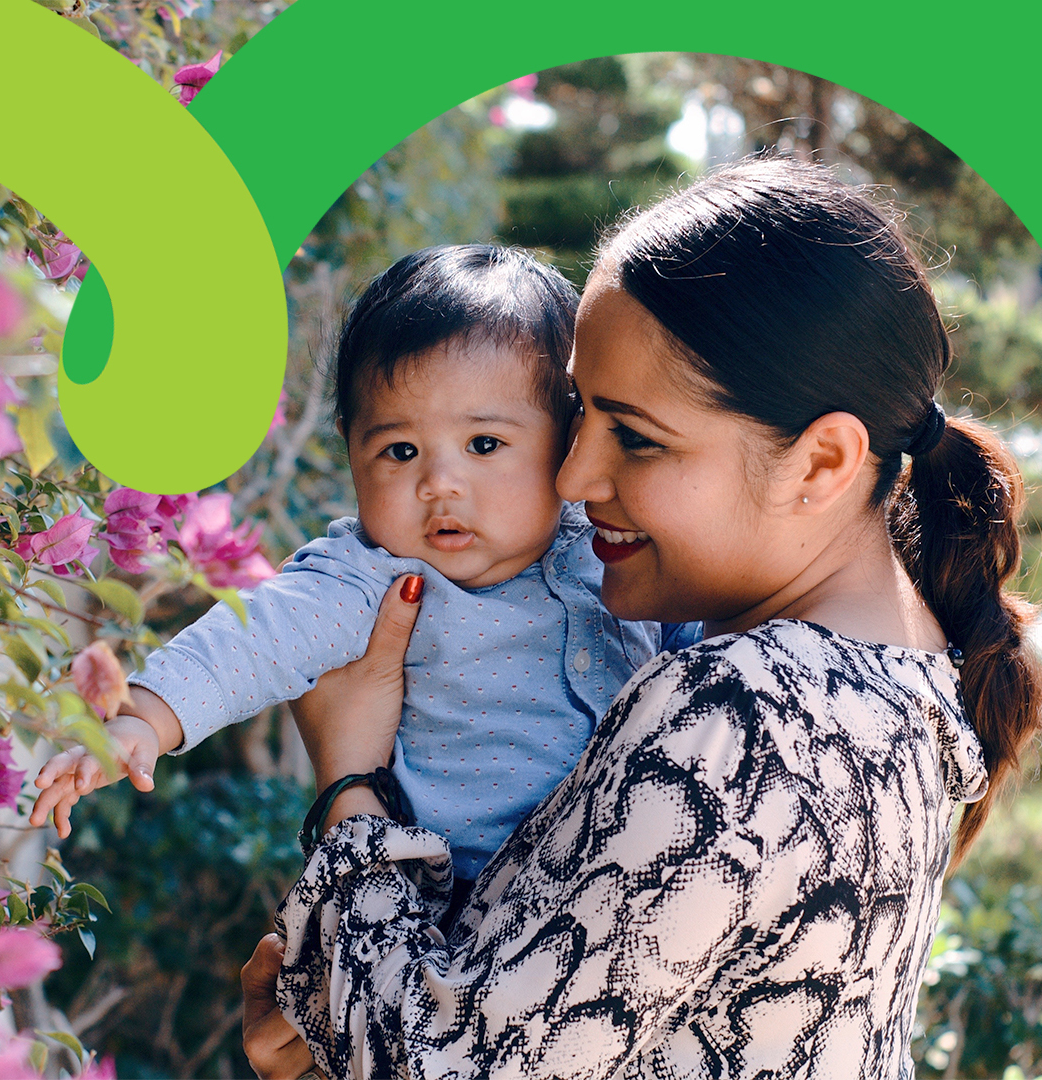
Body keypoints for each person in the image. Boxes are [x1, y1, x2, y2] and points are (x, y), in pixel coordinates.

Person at [246, 155, 1041, 1079]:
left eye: (636, 436)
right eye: (579, 416)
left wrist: (352, 787)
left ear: (822, 463)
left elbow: (443, 1066)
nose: (574, 478)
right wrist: (334, 1012)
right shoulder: (903, 677)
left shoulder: (744, 714)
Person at [29, 244, 685, 905]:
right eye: (400, 451)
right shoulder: (368, 579)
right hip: (452, 901)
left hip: (626, 887)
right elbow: (252, 638)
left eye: (484, 445)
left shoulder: (616, 547)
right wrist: (143, 718)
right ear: (351, 447)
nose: (439, 484)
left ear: (568, 438)